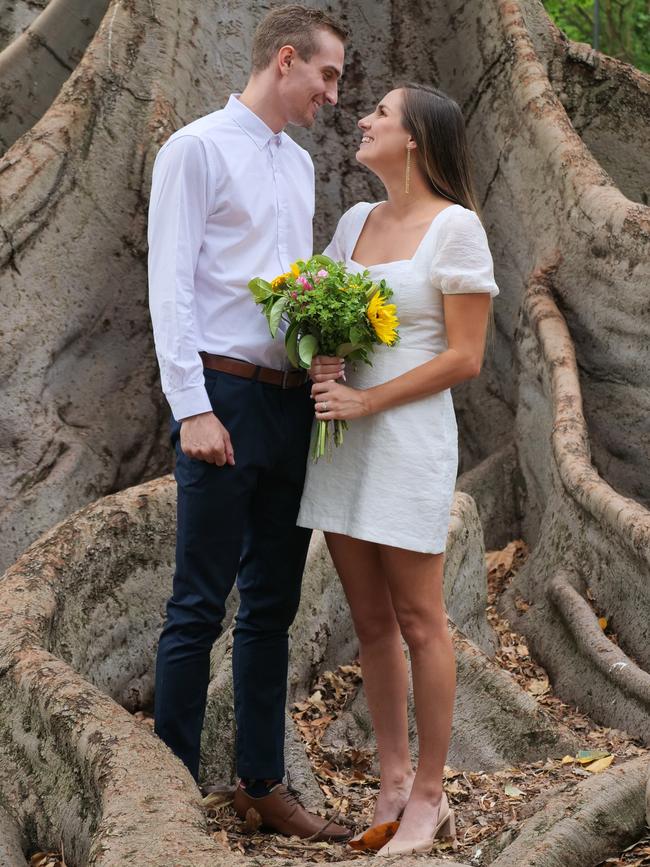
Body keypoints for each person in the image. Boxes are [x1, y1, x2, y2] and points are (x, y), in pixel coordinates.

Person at [147, 5, 350, 842]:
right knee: (198, 601)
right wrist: (191, 405)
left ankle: (262, 783)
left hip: (287, 401)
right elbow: (172, 285)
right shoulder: (195, 149)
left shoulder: (299, 168)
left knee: (273, 603)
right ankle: (169, 789)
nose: (333, 95)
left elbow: (290, 287)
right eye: (328, 76)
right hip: (221, 397)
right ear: (286, 60)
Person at [298, 83, 499, 856]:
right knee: (371, 622)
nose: (365, 119)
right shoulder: (354, 221)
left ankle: (428, 796)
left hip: (406, 437)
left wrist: (368, 398)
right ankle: (390, 780)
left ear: (414, 137)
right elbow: (316, 309)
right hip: (342, 441)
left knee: (420, 620)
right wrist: (319, 356)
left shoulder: (457, 229)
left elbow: (465, 356)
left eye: (380, 112)